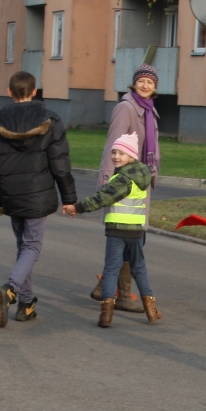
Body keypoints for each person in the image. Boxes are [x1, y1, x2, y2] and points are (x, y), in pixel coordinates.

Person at [0, 71, 77, 328]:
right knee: (32, 247)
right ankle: (11, 289)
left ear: (9, 91)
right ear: (35, 91)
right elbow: (60, 165)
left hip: (11, 194)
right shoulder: (51, 121)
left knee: (24, 247)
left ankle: (26, 303)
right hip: (37, 194)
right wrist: (70, 198)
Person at [63, 133, 160, 328]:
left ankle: (106, 314)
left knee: (111, 270)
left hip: (117, 230)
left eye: (121, 153)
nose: (116, 156)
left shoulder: (123, 178)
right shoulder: (141, 176)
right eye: (114, 152)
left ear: (131, 156)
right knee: (139, 268)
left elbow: (102, 198)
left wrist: (78, 207)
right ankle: (151, 309)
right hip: (136, 231)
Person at [92, 64, 161, 312]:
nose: (145, 85)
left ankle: (107, 287)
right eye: (141, 81)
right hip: (123, 184)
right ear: (134, 84)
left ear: (155, 87)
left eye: (150, 82)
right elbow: (113, 145)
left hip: (139, 184)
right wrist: (107, 181)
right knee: (130, 238)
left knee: (134, 239)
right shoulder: (126, 108)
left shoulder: (149, 109)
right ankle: (120, 294)